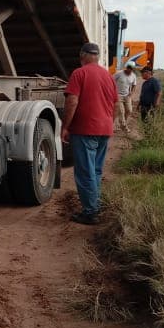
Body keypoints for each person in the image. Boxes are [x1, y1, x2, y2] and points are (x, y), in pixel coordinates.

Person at [61, 42, 117, 225]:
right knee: (96, 170)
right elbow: (115, 104)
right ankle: (95, 206)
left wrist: (65, 127)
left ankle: (90, 212)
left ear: (82, 55)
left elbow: (72, 102)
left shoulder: (79, 73)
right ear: (98, 56)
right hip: (104, 129)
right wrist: (110, 123)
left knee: (85, 172)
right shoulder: (108, 76)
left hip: (85, 130)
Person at [112, 61, 138, 134]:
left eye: (132, 69)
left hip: (127, 96)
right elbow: (111, 80)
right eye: (129, 68)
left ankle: (123, 123)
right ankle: (124, 127)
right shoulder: (119, 73)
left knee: (129, 110)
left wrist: (132, 92)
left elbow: (134, 85)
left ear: (133, 69)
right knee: (121, 112)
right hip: (118, 95)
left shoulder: (133, 76)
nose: (130, 70)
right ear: (126, 68)